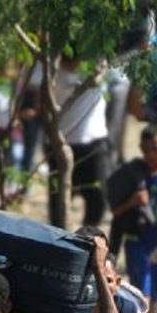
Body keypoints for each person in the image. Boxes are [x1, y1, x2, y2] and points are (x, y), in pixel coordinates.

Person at [110, 126, 157, 302]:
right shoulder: (132, 176)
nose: (151, 154)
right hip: (137, 244)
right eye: (146, 150)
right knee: (141, 296)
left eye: (155, 148)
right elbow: (115, 211)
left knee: (155, 295)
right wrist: (132, 201)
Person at [56, 53, 111, 226]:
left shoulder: (93, 68)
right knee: (58, 206)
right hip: (60, 146)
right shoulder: (54, 75)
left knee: (97, 202)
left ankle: (86, 242)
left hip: (93, 146)